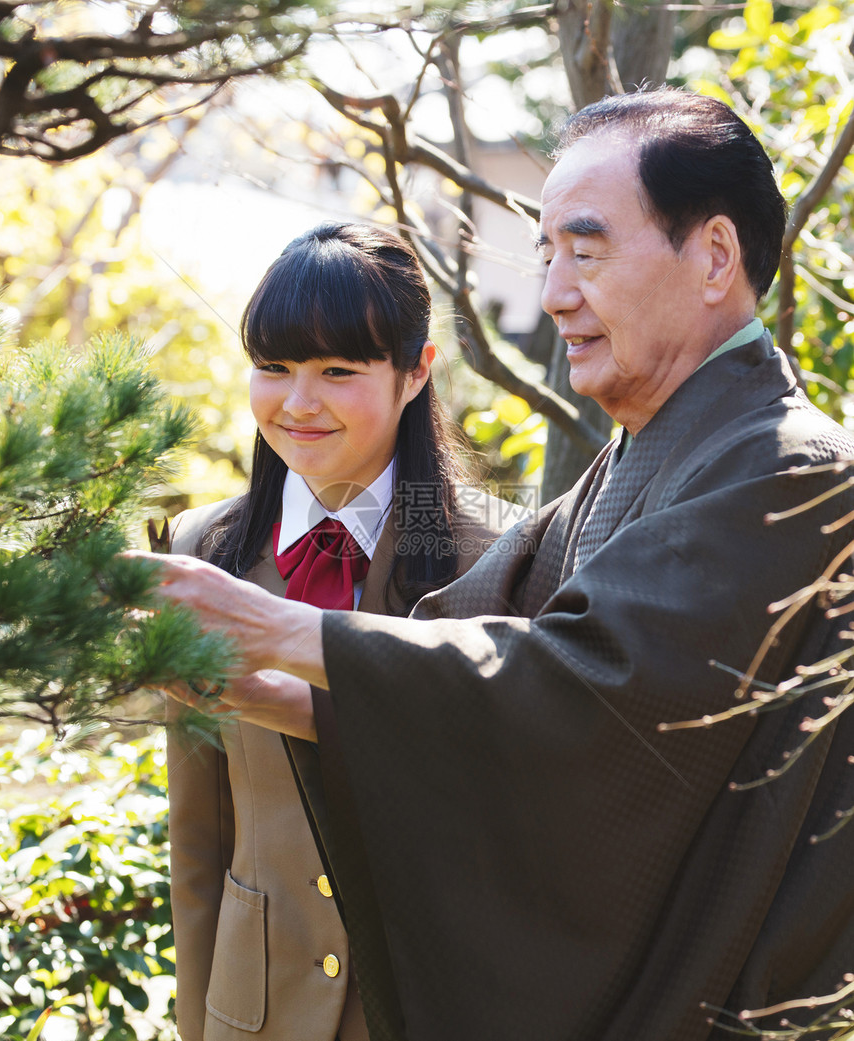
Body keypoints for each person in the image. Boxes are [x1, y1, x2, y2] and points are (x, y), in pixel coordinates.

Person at [137, 91, 854, 1041]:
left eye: (586, 250)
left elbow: (589, 693)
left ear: (715, 256)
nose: (555, 290)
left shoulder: (793, 469)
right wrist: (287, 698)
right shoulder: (643, 455)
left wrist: (288, 634)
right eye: (547, 251)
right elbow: (483, 641)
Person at [162, 222, 528, 1041]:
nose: (297, 403)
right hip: (253, 1015)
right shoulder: (204, 552)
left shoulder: (499, 554)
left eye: (336, 370)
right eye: (274, 368)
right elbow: (199, 835)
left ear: (414, 372)